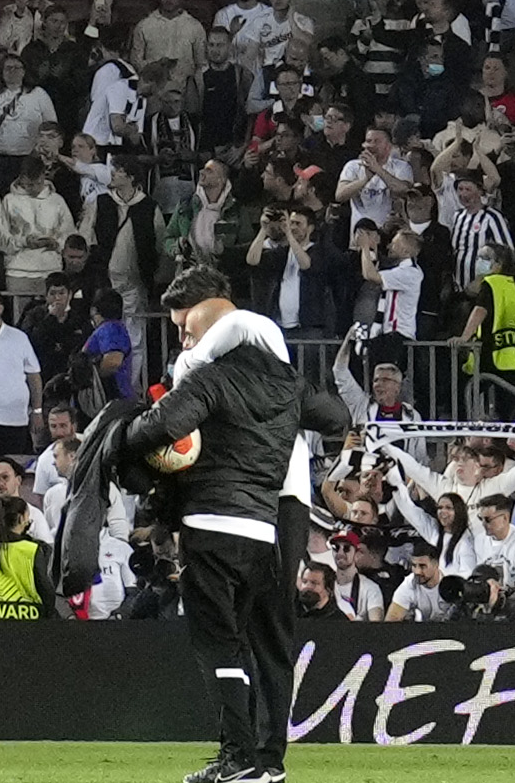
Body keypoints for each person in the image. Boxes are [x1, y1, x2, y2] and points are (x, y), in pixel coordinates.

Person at [108, 264, 312, 783]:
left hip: (265, 503)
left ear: (213, 308)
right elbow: (328, 415)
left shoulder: (240, 349)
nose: (183, 338)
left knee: (251, 635)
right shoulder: (255, 365)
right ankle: (252, 758)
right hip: (262, 506)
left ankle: (253, 758)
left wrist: (134, 428)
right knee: (253, 636)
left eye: (185, 325)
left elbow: (173, 418)